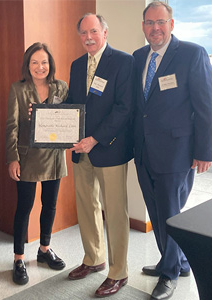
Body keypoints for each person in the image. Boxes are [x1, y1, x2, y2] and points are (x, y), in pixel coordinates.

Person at [132, 2, 212, 300]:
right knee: (156, 213)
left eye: (160, 22)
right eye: (149, 22)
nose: (155, 28)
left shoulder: (192, 54)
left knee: (170, 214)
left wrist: (204, 151)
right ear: (143, 26)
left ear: (171, 24)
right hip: (144, 150)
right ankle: (176, 262)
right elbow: (138, 107)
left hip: (177, 152)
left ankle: (169, 275)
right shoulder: (139, 56)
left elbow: (207, 105)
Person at [67, 13, 135, 297]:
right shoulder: (77, 64)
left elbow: (124, 108)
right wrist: (47, 114)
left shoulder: (123, 61)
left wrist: (94, 139)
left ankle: (119, 272)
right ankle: (93, 258)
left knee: (115, 212)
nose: (88, 37)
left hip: (109, 148)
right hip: (81, 151)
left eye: (93, 31)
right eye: (83, 33)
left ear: (104, 33)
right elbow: (73, 103)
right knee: (87, 206)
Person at [6, 42, 68, 285]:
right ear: (27, 66)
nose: (40, 67)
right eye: (34, 62)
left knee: (50, 205)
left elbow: (71, 117)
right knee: (24, 207)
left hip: (54, 157)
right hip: (27, 158)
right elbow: (11, 126)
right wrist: (12, 158)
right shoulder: (18, 89)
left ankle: (44, 249)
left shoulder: (61, 87)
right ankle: (19, 258)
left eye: (44, 62)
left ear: (50, 64)